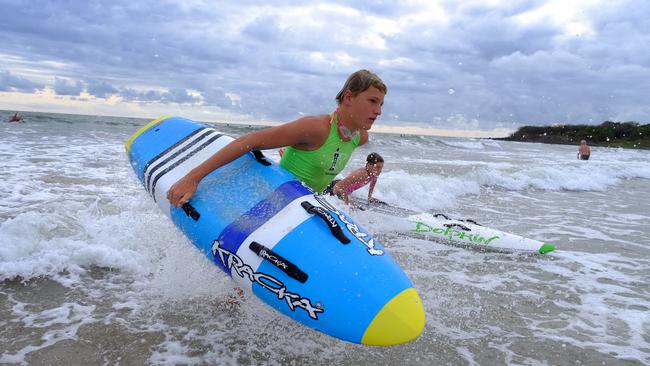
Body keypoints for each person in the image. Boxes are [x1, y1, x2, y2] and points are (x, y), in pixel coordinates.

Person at [167, 69, 387, 207]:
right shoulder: (316, 128)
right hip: (271, 206)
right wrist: (192, 178)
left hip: (304, 209)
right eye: (372, 101)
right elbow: (249, 141)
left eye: (381, 104)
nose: (378, 111)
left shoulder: (359, 137)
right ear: (349, 97)